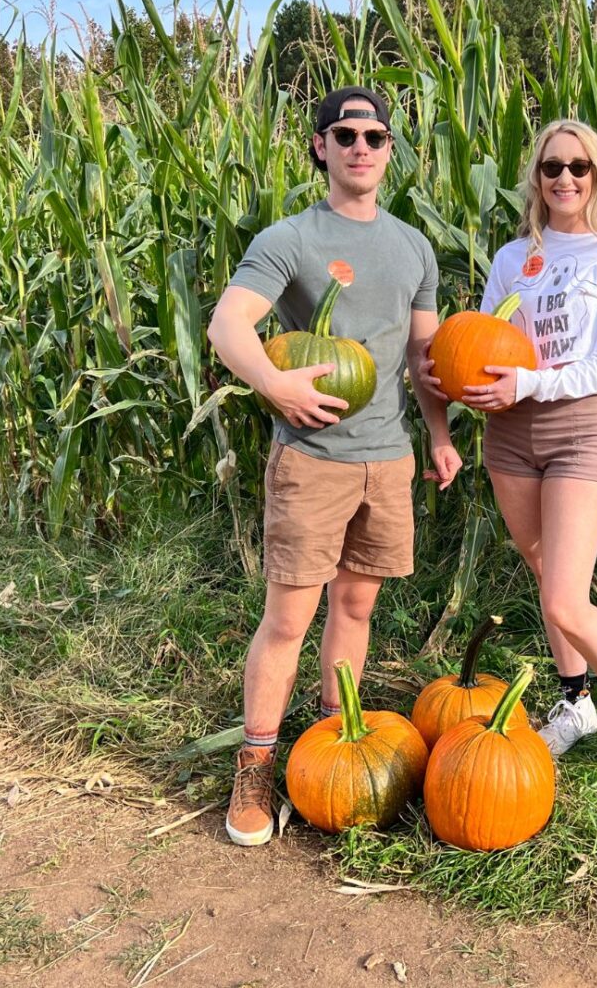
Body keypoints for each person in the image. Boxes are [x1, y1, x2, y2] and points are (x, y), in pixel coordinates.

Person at [208, 86, 461, 846]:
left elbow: (423, 356)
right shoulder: (291, 238)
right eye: (344, 133)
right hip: (311, 464)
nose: (360, 146)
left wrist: (441, 436)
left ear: (390, 149)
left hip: (386, 460)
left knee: (355, 609)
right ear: (319, 145)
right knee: (288, 618)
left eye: (375, 135)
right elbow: (229, 322)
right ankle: (254, 764)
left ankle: (330, 744)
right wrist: (275, 383)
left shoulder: (414, 246)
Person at [422, 119, 597, 801]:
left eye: (579, 167)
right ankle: (574, 701)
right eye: (551, 167)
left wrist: (531, 382)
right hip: (508, 429)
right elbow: (485, 337)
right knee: (543, 572)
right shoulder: (515, 257)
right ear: (535, 177)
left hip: (579, 425)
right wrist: (452, 373)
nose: (564, 178)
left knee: (566, 595)